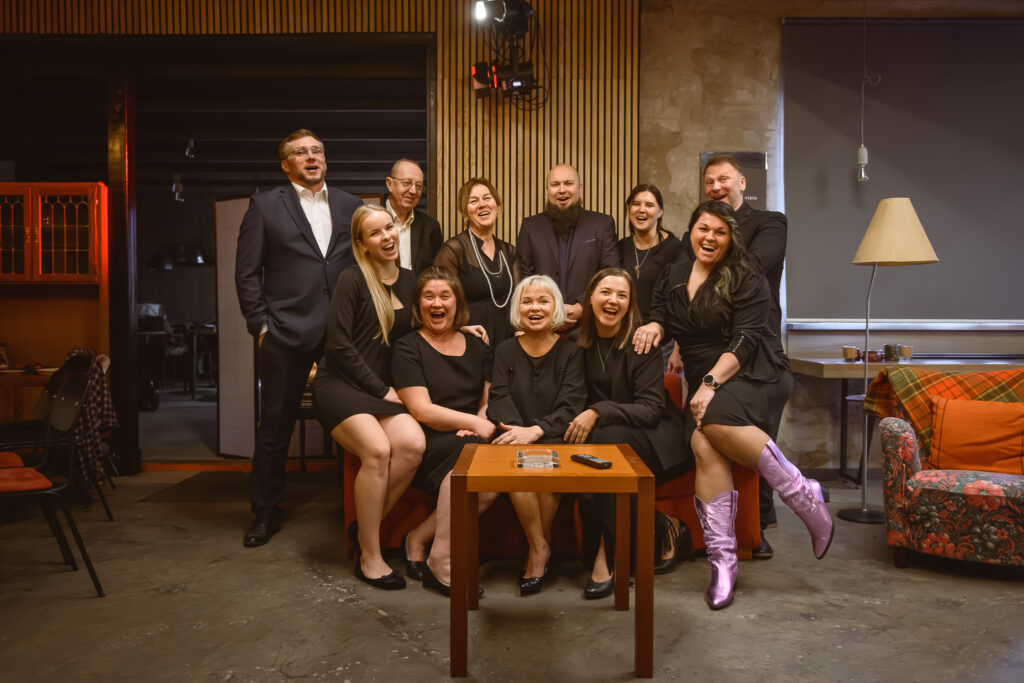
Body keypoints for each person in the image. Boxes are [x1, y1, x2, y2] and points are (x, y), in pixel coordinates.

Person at [633, 200, 833, 610]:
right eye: (703, 229)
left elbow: (746, 338)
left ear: (731, 239)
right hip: (704, 375)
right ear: (691, 231)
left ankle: (801, 494)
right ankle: (723, 562)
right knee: (702, 443)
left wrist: (709, 384)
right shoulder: (673, 274)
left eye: (720, 232)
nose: (709, 237)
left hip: (753, 371)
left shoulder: (745, 275)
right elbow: (659, 314)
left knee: (710, 423)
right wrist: (653, 324)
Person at [235, 128, 363, 548]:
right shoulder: (265, 206)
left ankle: (357, 507)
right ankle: (265, 512)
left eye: (317, 151)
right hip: (285, 332)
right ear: (286, 164)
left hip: (342, 333)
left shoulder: (350, 205)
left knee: (356, 419)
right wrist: (260, 325)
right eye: (301, 152)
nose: (311, 157)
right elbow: (247, 271)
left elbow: (363, 264)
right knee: (275, 426)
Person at [312, 204, 425, 590]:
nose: (387, 237)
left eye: (389, 228)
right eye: (375, 233)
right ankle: (370, 556)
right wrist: (380, 389)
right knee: (378, 450)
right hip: (341, 385)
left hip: (381, 390)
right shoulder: (352, 279)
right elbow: (339, 345)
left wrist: (463, 327)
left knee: (412, 444)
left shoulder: (411, 280)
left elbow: (427, 324)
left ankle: (363, 528)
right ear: (362, 244)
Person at [565, 268, 694, 600]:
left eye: (622, 295)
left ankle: (605, 558)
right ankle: (665, 525)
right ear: (589, 299)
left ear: (630, 304)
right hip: (606, 435)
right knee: (596, 451)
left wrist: (597, 411)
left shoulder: (641, 342)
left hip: (654, 435)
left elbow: (651, 409)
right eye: (605, 292)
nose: (613, 301)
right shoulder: (575, 342)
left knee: (603, 446)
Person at [391, 266, 499, 596]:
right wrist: (472, 423)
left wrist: (479, 420)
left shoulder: (478, 345)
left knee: (491, 481)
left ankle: (418, 538)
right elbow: (421, 410)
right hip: (429, 439)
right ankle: (442, 562)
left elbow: (486, 401)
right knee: (473, 464)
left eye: (444, 296)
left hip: (471, 437)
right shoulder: (407, 347)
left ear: (457, 303)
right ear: (418, 304)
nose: (436, 303)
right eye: (428, 296)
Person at [703, 154, 789, 558]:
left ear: (741, 182)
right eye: (709, 182)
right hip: (715, 348)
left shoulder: (770, 222)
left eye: (723, 179)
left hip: (761, 346)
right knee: (721, 435)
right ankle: (730, 528)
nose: (716, 187)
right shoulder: (701, 229)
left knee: (760, 435)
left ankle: (759, 527)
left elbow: (752, 265)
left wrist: (706, 254)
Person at [487, 275, 586, 596]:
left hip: (554, 433)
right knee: (518, 460)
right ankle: (540, 546)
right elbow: (498, 397)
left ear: (556, 308)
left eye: (544, 301)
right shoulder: (505, 350)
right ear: (517, 308)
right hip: (514, 433)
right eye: (527, 301)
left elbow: (572, 403)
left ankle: (537, 551)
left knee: (545, 460)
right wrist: (520, 432)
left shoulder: (572, 352)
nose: (535, 308)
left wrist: (537, 430)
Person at [516, 164, 621, 330]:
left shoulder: (602, 224)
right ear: (547, 189)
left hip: (590, 326)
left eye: (568, 183)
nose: (562, 190)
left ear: (580, 187)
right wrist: (551, 311)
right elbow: (525, 277)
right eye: (555, 184)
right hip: (542, 327)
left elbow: (610, 273)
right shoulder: (530, 226)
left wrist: (582, 306)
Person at [434, 178, 519, 343]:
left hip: (508, 340)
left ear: (497, 206)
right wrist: (459, 327)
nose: (482, 204)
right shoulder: (453, 250)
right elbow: (438, 301)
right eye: (473, 201)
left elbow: (520, 298)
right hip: (470, 339)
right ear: (465, 212)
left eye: (487, 198)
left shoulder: (509, 251)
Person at [618, 184, 683, 372]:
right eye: (636, 204)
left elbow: (683, 300)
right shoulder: (620, 247)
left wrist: (678, 350)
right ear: (629, 209)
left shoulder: (675, 248)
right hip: (624, 338)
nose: (641, 209)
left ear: (660, 211)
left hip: (662, 342)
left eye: (649, 205)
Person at [385, 158, 443, 275]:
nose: (413, 191)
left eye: (419, 186)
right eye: (407, 183)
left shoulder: (430, 227)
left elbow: (436, 273)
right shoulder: (370, 220)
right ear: (390, 184)